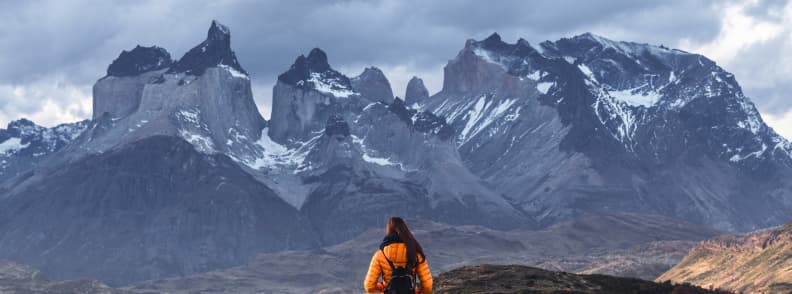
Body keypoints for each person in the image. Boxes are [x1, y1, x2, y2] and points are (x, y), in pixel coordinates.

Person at [364, 217, 432, 293]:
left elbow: (369, 286)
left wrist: (382, 287)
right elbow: (427, 286)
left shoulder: (380, 255)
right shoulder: (415, 254)